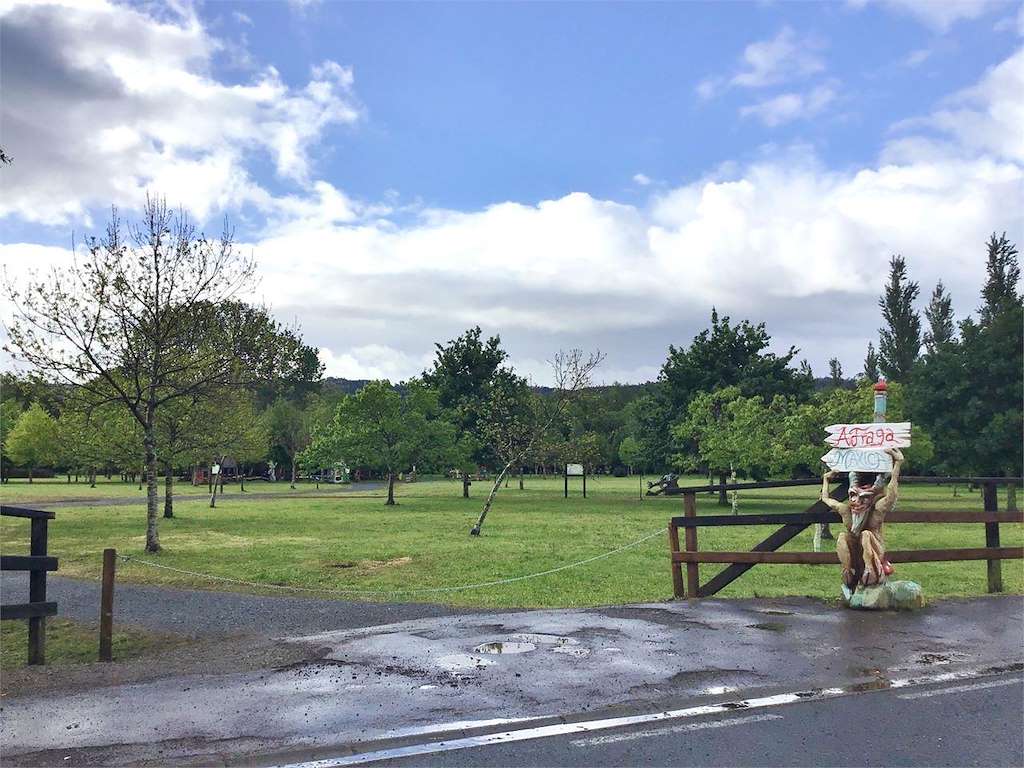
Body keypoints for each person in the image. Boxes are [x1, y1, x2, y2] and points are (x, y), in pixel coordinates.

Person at [821, 448, 904, 591]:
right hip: (855, 553)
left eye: (863, 498)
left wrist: (897, 464)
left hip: (874, 551)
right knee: (842, 537)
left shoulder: (876, 510)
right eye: (853, 496)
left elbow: (891, 496)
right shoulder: (846, 511)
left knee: (866, 535)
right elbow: (826, 499)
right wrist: (826, 479)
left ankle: (870, 570)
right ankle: (847, 570)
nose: (856, 502)